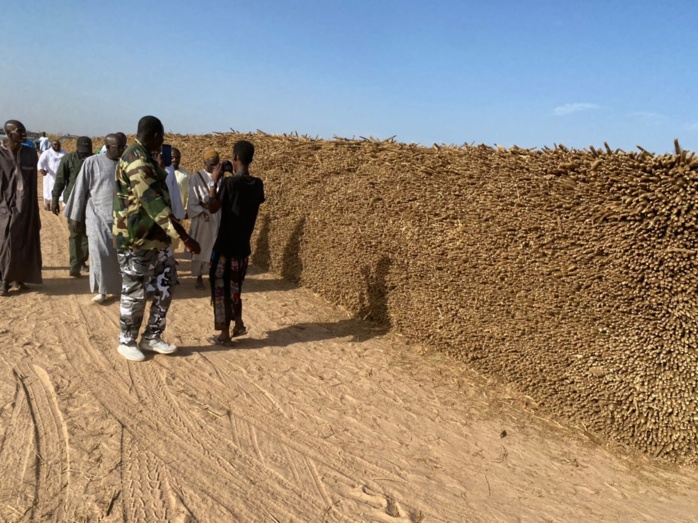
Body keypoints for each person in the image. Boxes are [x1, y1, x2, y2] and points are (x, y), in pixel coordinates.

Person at [113, 115, 200, 362]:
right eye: (161, 137)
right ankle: (126, 340)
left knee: (165, 285)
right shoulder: (136, 160)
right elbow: (154, 204)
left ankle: (152, 336)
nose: (162, 142)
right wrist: (185, 237)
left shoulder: (148, 159)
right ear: (153, 136)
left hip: (157, 239)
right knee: (135, 291)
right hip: (136, 240)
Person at [207, 140, 265, 343]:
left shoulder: (228, 184)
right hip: (242, 249)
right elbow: (243, 196)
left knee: (220, 289)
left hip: (225, 248)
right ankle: (238, 324)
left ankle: (224, 334)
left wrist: (215, 181)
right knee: (235, 289)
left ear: (236, 158)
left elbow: (212, 206)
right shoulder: (258, 184)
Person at [64, 134, 126, 304]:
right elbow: (80, 190)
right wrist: (75, 217)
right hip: (96, 217)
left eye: (123, 147)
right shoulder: (92, 162)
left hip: (119, 219)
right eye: (117, 147)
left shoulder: (125, 164)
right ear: (107, 146)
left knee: (118, 256)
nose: (121, 150)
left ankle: (120, 288)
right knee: (99, 255)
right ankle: (102, 290)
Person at [0, 120, 42, 296]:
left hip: (26, 207)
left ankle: (20, 278)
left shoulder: (30, 153)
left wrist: (34, 210)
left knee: (26, 241)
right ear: (10, 135)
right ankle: (3, 280)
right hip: (4, 207)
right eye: (20, 131)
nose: (24, 133)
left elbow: (32, 183)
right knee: (6, 242)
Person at [53, 136, 92, 277]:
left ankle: (82, 259)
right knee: (75, 234)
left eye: (87, 151)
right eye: (83, 151)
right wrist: (55, 199)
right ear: (77, 148)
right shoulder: (68, 160)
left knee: (88, 234)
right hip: (72, 202)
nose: (85, 154)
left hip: (90, 203)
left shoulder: (94, 160)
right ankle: (75, 265)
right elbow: (60, 181)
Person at [187, 149, 222, 290]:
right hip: (203, 218)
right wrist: (201, 212)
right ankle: (199, 277)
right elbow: (192, 201)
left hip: (217, 215)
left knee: (215, 247)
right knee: (201, 247)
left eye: (216, 164)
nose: (213, 167)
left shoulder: (222, 177)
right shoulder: (197, 177)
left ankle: (213, 275)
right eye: (211, 164)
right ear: (204, 162)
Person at [38, 140, 67, 211]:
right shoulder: (46, 153)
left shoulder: (64, 153)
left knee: (63, 191)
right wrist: (41, 169)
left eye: (58, 145)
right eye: (55, 144)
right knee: (48, 191)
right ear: (51, 145)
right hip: (49, 176)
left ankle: (65, 206)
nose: (57, 146)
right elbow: (40, 162)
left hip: (61, 176)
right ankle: (47, 205)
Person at [172, 148, 191, 212]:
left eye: (177, 157)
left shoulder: (186, 174)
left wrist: (186, 208)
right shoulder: (161, 172)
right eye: (172, 157)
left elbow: (189, 193)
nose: (174, 160)